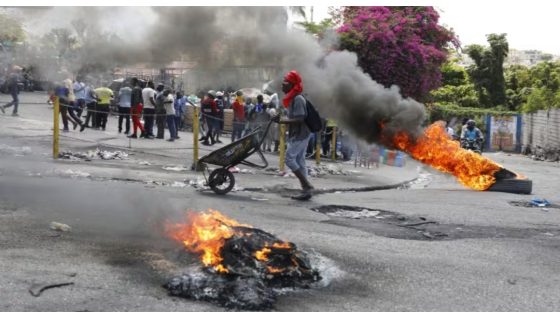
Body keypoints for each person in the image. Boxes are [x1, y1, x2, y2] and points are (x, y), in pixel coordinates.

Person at [272, 70, 314, 201]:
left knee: (289, 159)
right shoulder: (291, 99)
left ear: (292, 85)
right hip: (298, 133)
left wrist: (282, 121)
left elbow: (300, 119)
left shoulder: (298, 99)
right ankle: (306, 191)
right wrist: (281, 117)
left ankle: (306, 185)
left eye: (285, 82)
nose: (282, 85)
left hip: (301, 134)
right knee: (300, 161)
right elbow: (293, 116)